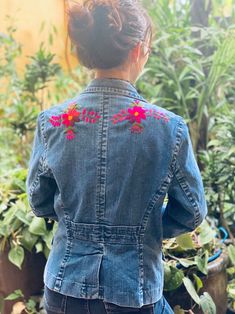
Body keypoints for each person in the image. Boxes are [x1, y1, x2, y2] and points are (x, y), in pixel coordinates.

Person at [26, 0, 208, 313]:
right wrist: (144, 229)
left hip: (63, 287)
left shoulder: (52, 122)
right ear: (138, 49)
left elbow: (39, 200)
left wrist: (75, 221)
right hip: (134, 290)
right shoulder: (169, 128)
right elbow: (192, 211)